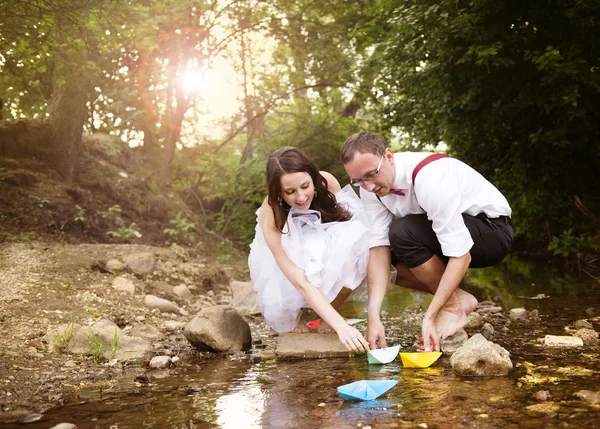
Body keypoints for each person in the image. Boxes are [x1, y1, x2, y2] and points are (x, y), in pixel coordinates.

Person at [341, 131, 513, 352]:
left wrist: (430, 316)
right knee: (374, 257)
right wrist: (373, 317)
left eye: (372, 174)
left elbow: (461, 254)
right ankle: (460, 299)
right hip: (442, 238)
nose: (369, 186)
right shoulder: (369, 188)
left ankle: (453, 309)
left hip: (491, 233)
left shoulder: (430, 178)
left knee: (402, 232)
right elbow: (378, 250)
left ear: (389, 156)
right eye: (358, 181)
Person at [249, 146, 372, 353]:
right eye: (289, 192)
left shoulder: (327, 182)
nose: (300, 197)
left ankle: (329, 312)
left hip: (320, 236)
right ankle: (298, 315)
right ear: (277, 191)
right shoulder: (271, 213)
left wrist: (337, 322)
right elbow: (300, 281)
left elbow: (356, 224)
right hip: (282, 248)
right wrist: (342, 326)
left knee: (361, 243)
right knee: (283, 303)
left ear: (313, 178)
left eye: (305, 186)